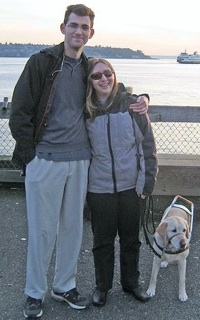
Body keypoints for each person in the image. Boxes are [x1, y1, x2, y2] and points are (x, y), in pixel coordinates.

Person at [9, 4, 149, 319]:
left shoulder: (88, 67)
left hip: (80, 162)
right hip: (45, 160)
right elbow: (19, 113)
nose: (78, 32)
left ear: (91, 32)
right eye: (73, 26)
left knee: (72, 229)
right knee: (42, 231)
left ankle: (64, 285)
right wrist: (32, 156)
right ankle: (34, 293)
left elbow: (112, 90)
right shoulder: (42, 63)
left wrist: (143, 99)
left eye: (84, 27)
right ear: (63, 28)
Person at [85, 58, 158, 307]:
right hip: (99, 188)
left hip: (131, 188)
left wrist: (146, 183)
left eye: (108, 73)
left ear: (114, 75)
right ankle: (102, 286)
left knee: (131, 240)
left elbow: (147, 146)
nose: (104, 79)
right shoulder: (85, 110)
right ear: (90, 82)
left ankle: (131, 283)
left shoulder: (132, 106)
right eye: (96, 76)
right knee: (102, 242)